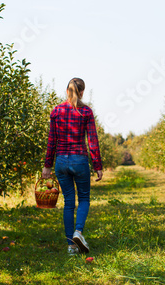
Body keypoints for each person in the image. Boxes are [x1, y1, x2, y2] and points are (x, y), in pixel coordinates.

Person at [42, 78, 103, 255]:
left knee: (69, 203)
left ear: (67, 91)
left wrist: (47, 165)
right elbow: (92, 140)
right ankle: (78, 232)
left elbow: (52, 140)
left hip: (61, 161)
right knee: (83, 199)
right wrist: (97, 165)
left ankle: (71, 246)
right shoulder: (86, 112)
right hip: (79, 160)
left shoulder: (57, 111)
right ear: (82, 92)